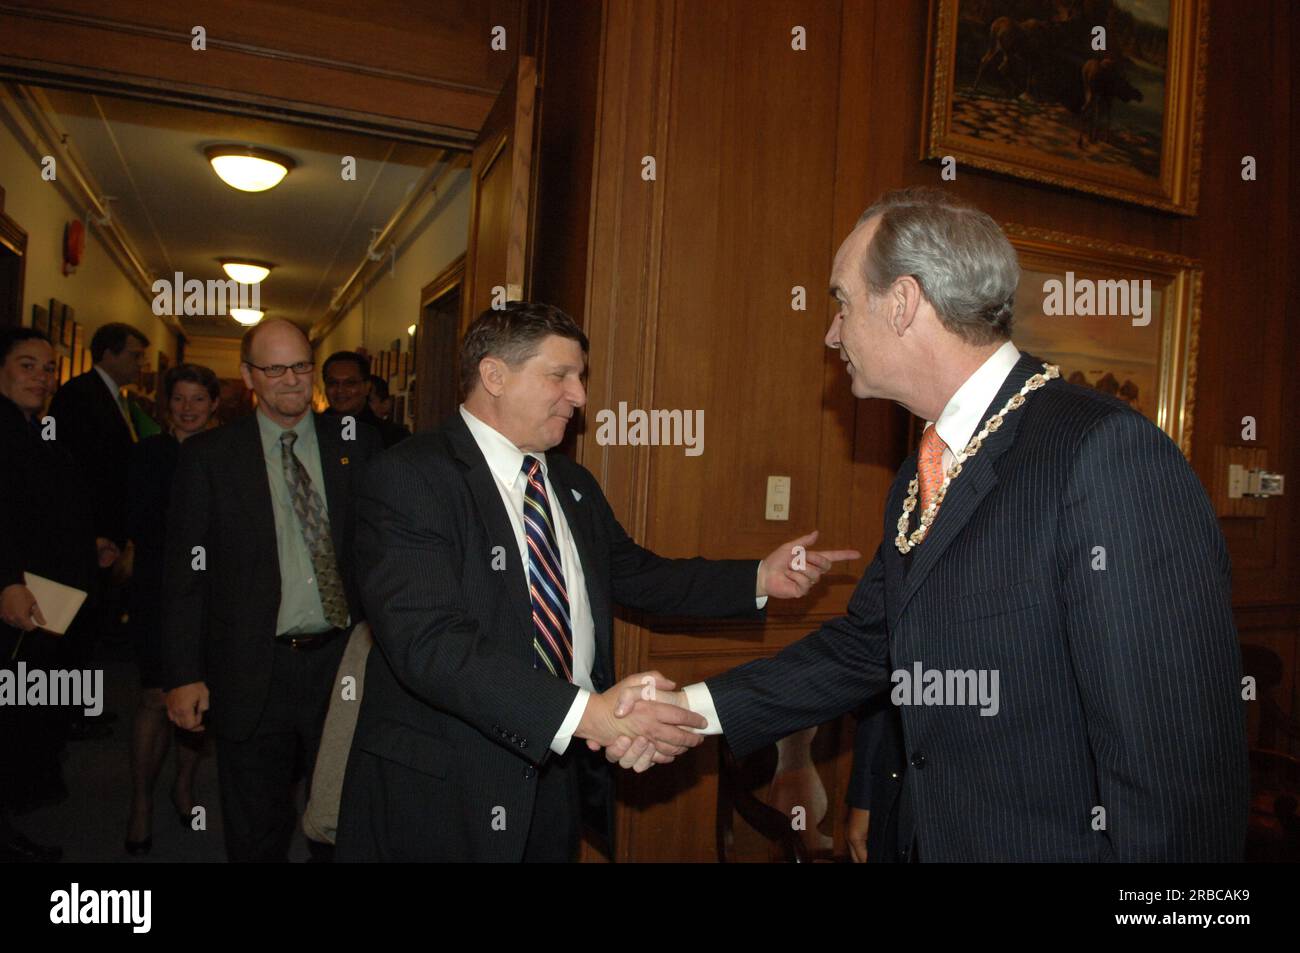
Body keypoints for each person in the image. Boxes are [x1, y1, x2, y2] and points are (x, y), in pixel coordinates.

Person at [604, 187, 1249, 862]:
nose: (831, 332)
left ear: (903, 301)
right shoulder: (923, 471)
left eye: (842, 302)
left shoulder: (1103, 454)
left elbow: (1179, 775)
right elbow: (869, 645)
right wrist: (688, 708)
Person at [334, 301, 859, 862]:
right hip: (447, 783)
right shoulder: (408, 477)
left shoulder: (569, 480)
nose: (580, 396)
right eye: (560, 376)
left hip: (560, 768)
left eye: (580, 377)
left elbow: (637, 573)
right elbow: (430, 645)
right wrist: (589, 715)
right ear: (494, 376)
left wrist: (758, 576)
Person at [161, 320, 382, 862]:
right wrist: (183, 674)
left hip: (340, 664)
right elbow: (183, 577)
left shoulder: (353, 448)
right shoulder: (211, 457)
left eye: (302, 366)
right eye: (275, 369)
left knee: (340, 814)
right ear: (247, 377)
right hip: (252, 666)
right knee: (257, 826)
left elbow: (379, 554)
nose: (291, 380)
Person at [0, 327, 105, 861]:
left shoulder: (36, 428)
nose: (40, 377)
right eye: (26, 365)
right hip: (14, 596)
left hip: (44, 595)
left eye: (47, 368)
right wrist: (7, 582)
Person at [123, 363, 221, 856]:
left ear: (213, 406)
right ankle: (140, 803)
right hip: (156, 593)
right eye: (179, 399)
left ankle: (184, 786)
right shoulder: (147, 455)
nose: (187, 409)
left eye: (197, 400)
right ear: (168, 404)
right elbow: (135, 525)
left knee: (198, 699)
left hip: (211, 596)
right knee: (153, 697)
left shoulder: (226, 455)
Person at [46, 321, 152, 739]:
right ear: (108, 353)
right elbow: (71, 471)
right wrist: (90, 533)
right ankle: (67, 714)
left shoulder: (116, 398)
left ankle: (80, 708)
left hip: (106, 534)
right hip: (85, 535)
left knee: (90, 627)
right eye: (133, 355)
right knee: (74, 627)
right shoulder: (80, 395)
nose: (140, 363)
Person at [322, 351, 409, 449]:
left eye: (350, 383)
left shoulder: (393, 436)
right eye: (332, 383)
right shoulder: (311, 432)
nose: (340, 390)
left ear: (367, 387)